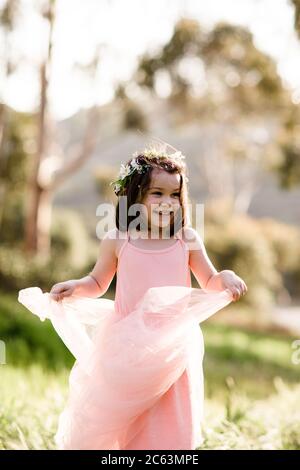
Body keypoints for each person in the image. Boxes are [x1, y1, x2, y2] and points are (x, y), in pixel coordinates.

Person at [18, 140, 247, 450]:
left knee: (170, 420)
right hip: (127, 346)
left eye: (175, 195)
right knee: (126, 419)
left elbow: (209, 281)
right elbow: (97, 282)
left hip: (171, 347)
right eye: (157, 193)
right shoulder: (118, 240)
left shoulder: (186, 240)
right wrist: (76, 286)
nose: (168, 202)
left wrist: (227, 277)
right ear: (135, 196)